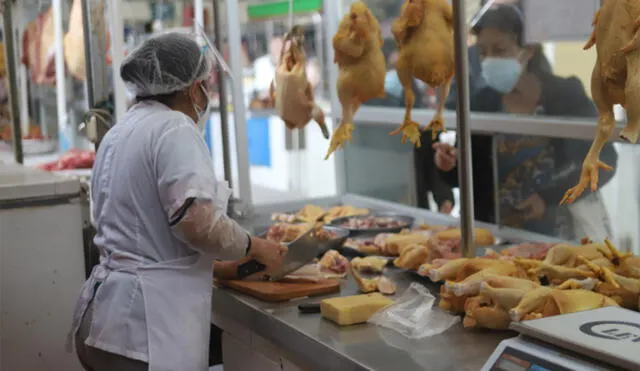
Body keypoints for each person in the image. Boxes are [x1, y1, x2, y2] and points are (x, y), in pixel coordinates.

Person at [68, 32, 287, 371]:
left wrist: (215, 265)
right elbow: (197, 224)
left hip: (104, 318)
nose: (207, 93)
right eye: (205, 83)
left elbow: (142, 227)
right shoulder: (174, 128)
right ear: (189, 87)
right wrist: (253, 246)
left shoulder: (122, 131)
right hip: (144, 330)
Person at [431, 3, 617, 241]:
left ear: (527, 50)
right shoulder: (481, 104)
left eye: (499, 49)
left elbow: (604, 159)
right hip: (499, 236)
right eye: (483, 53)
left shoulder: (564, 96)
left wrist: (547, 197)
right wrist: (449, 166)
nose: (489, 61)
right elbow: (471, 173)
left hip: (562, 236)